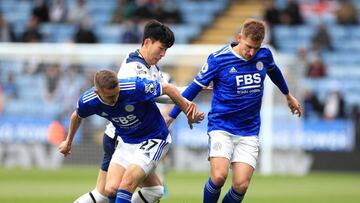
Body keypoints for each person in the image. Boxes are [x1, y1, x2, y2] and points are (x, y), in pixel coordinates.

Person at [165, 18, 302, 203]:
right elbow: (194, 88)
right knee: (219, 177)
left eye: (256, 47)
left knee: (241, 186)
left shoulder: (264, 55)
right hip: (221, 126)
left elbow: (274, 71)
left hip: (249, 130)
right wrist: (171, 117)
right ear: (239, 37)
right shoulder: (218, 59)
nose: (251, 52)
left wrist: (288, 95)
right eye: (248, 46)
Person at [71, 20, 203, 203]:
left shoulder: (148, 65)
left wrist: (194, 89)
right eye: (161, 48)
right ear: (147, 42)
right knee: (109, 191)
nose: (164, 54)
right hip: (122, 134)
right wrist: (189, 98)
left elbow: (163, 93)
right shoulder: (135, 70)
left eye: (167, 50)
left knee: (147, 189)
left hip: (131, 133)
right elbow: (160, 95)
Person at [59, 69, 202, 202]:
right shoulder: (88, 101)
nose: (115, 98)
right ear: (97, 92)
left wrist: (187, 110)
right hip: (126, 142)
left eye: (117, 93)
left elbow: (168, 88)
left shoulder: (134, 86)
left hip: (153, 138)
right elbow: (76, 116)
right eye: (110, 96)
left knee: (127, 183)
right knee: (112, 189)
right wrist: (68, 142)